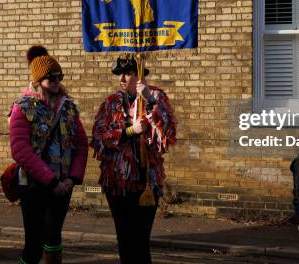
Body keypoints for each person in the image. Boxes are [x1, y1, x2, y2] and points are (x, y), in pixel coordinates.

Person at [91, 56, 177, 264]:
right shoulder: (111, 103)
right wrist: (130, 131)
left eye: (127, 73)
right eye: (119, 74)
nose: (122, 78)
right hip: (117, 183)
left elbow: (168, 133)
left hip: (146, 182)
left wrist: (150, 101)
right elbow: (98, 136)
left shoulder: (156, 96)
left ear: (139, 74)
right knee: (124, 239)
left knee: (140, 242)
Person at [9, 46, 88, 264]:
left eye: (59, 76)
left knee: (53, 237)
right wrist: (52, 181)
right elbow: (20, 150)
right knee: (33, 243)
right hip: (33, 185)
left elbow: (81, 144)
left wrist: (72, 179)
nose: (56, 80)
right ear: (38, 79)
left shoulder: (69, 108)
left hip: (63, 185)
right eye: (50, 77)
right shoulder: (22, 107)